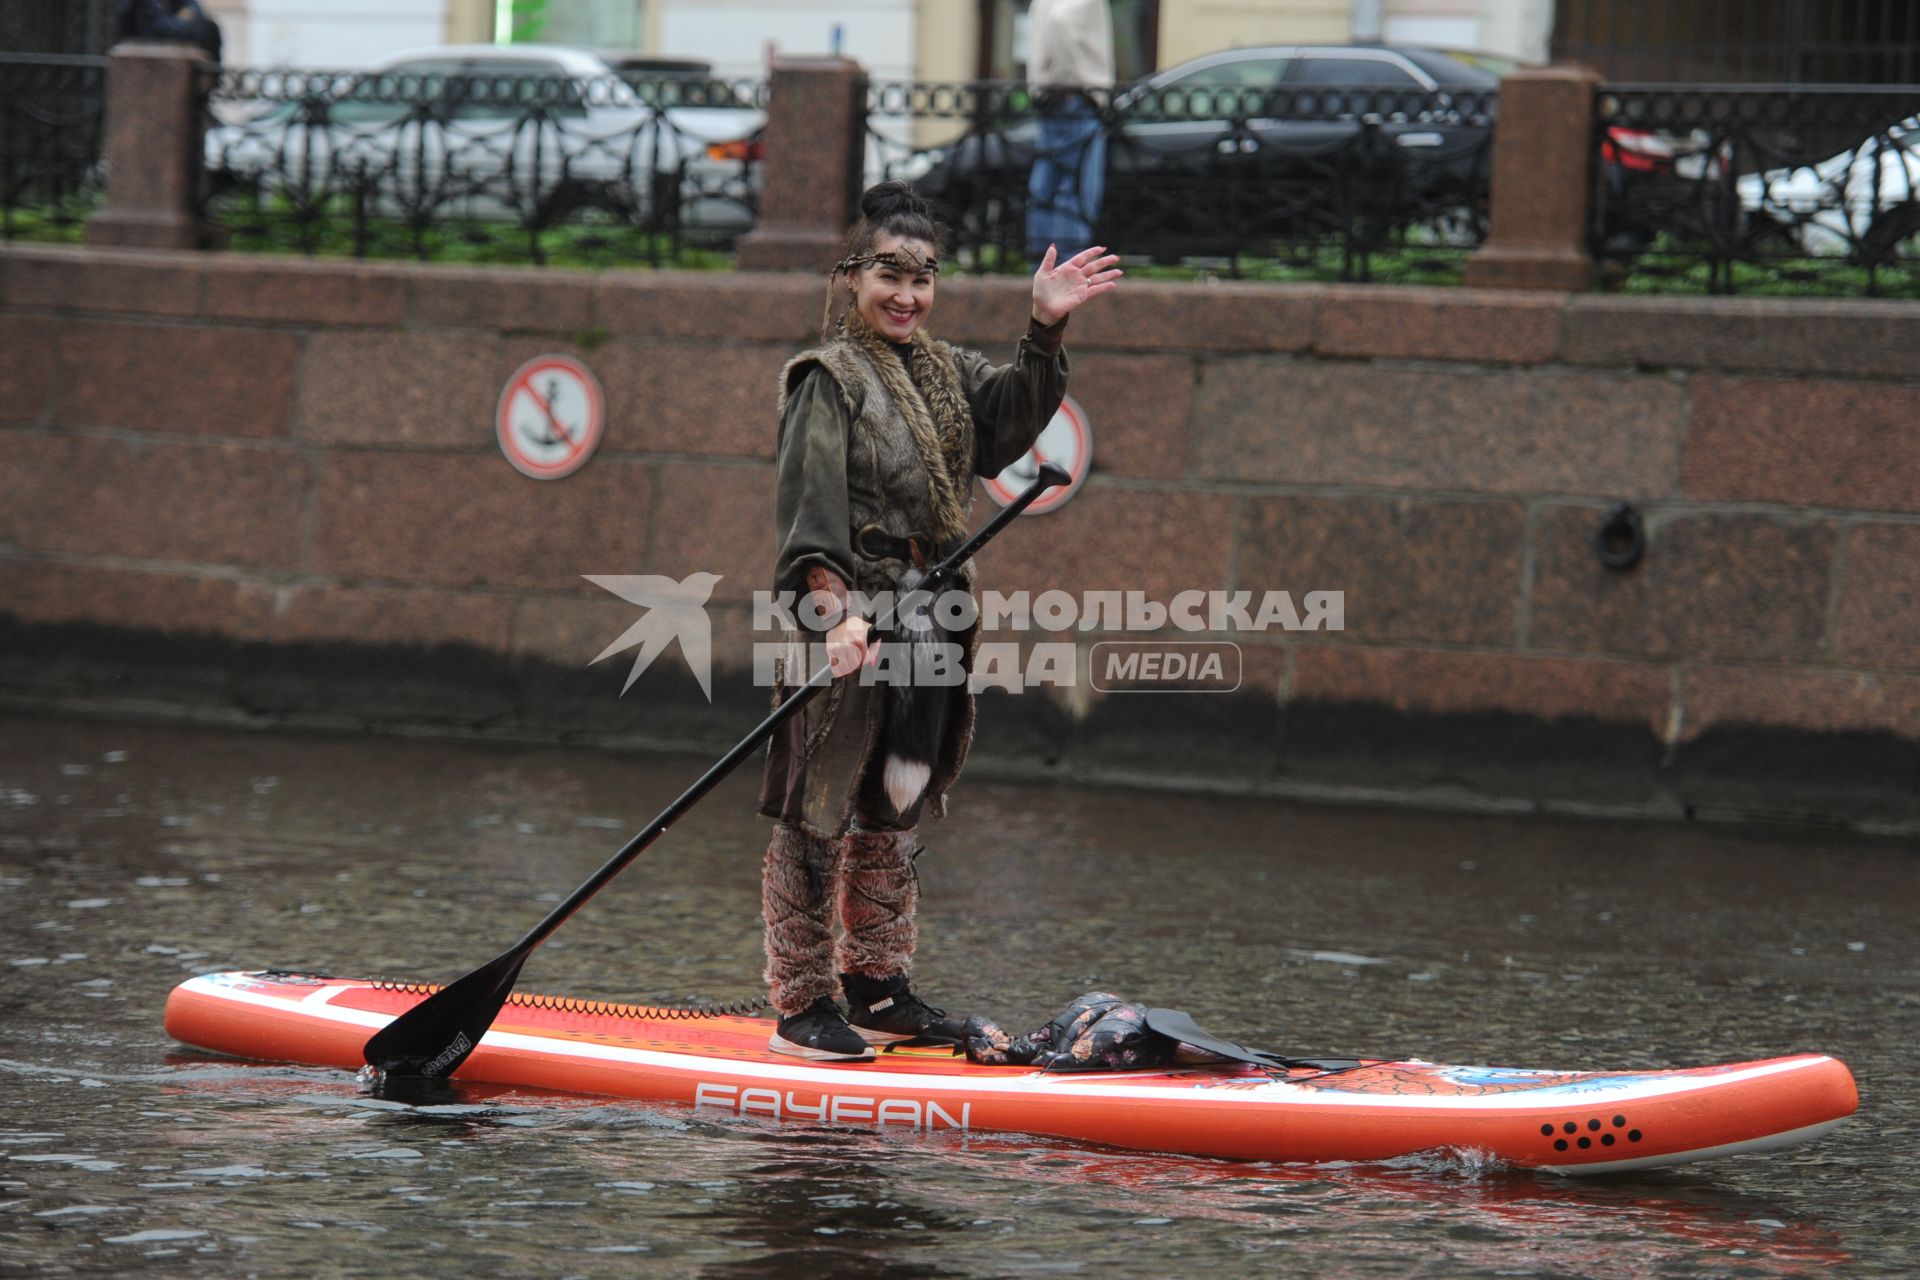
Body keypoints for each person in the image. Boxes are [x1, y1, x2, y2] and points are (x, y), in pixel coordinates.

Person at [756, 181, 1122, 1061]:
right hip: (851, 615)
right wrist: (834, 615)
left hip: (931, 615)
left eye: (924, 277)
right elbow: (810, 513)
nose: (908, 294)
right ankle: (802, 1004)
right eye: (890, 273)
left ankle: (877, 987)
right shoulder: (826, 379)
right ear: (851, 276)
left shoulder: (946, 370)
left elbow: (1005, 427)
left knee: (899, 795)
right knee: (819, 803)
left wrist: (1045, 330)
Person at [1025, 0, 1115, 259]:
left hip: (1053, 98)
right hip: (1074, 99)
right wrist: (1073, 79)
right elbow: (1060, 23)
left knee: (1046, 187)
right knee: (1074, 190)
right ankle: (1069, 270)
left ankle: (1041, 267)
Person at [116, 0, 224, 61]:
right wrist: (183, 21)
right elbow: (163, 30)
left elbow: (195, 12)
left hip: (177, 62)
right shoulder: (146, 4)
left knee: (210, 27)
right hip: (147, 58)